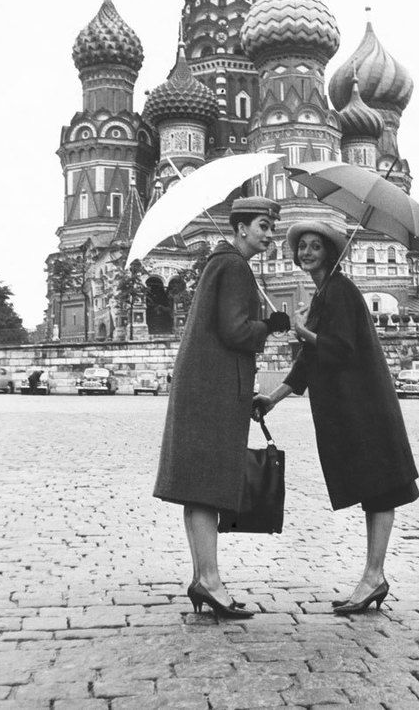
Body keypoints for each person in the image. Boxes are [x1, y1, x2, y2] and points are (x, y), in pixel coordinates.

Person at [253, 220, 419, 615]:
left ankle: (374, 576)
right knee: (372, 487)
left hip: (364, 405)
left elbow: (340, 349)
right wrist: (273, 398)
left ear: (329, 251)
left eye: (315, 246)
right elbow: (309, 363)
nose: (307, 252)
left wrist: (302, 330)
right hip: (350, 407)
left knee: (380, 487)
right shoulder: (325, 293)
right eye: (303, 247)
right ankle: (371, 575)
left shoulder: (340, 291)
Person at [153, 197, 290, 619]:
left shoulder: (220, 263)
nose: (270, 235)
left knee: (197, 487)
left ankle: (204, 579)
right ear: (242, 227)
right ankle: (209, 581)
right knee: (207, 485)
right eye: (264, 226)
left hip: (203, 387)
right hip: (214, 392)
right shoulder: (234, 266)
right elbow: (234, 332)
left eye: (271, 227)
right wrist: (270, 325)